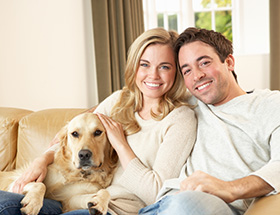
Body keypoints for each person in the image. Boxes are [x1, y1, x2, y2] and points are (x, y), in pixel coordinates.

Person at [0, 28, 197, 215]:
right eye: (144, 64)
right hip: (78, 199)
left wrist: (120, 144)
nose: (153, 75)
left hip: (117, 209)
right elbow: (75, 134)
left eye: (164, 67)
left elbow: (156, 192)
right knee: (5, 204)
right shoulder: (120, 100)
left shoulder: (180, 119)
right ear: (134, 67)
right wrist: (41, 161)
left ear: (177, 71)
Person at [138, 27, 280, 215]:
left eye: (204, 63)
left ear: (229, 62)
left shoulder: (270, 104)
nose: (197, 76)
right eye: (186, 70)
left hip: (210, 206)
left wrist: (230, 188)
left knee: (187, 205)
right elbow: (130, 97)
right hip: (161, 205)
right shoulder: (188, 104)